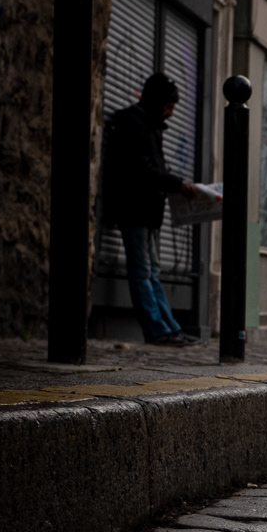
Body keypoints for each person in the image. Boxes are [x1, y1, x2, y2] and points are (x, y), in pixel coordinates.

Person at [101, 73, 195, 345]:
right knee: (143, 272)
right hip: (135, 210)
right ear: (156, 102)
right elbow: (141, 169)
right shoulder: (133, 124)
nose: (170, 113)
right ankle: (157, 330)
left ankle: (169, 327)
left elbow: (151, 168)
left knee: (152, 271)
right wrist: (176, 184)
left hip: (148, 212)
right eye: (168, 107)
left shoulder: (150, 126)